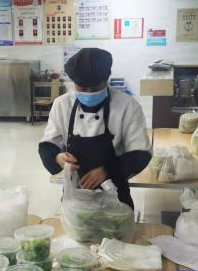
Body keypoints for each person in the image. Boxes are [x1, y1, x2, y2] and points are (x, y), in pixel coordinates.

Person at [38, 48, 150, 209]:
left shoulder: (127, 106)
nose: (89, 92)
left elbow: (140, 153)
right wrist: (58, 158)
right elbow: (47, 145)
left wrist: (108, 170)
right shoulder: (62, 105)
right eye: (82, 89)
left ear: (106, 79)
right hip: (75, 195)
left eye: (96, 88)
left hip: (116, 195)